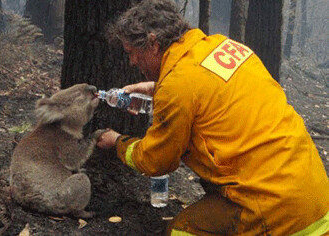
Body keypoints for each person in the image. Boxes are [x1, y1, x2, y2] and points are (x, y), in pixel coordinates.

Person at [97, 0, 329, 235]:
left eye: (131, 53)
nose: (132, 62)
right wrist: (158, 87)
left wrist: (117, 142)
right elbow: (207, 90)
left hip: (274, 209)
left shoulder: (178, 86)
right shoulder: (224, 46)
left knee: (180, 231)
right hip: (315, 197)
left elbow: (157, 161)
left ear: (153, 43)